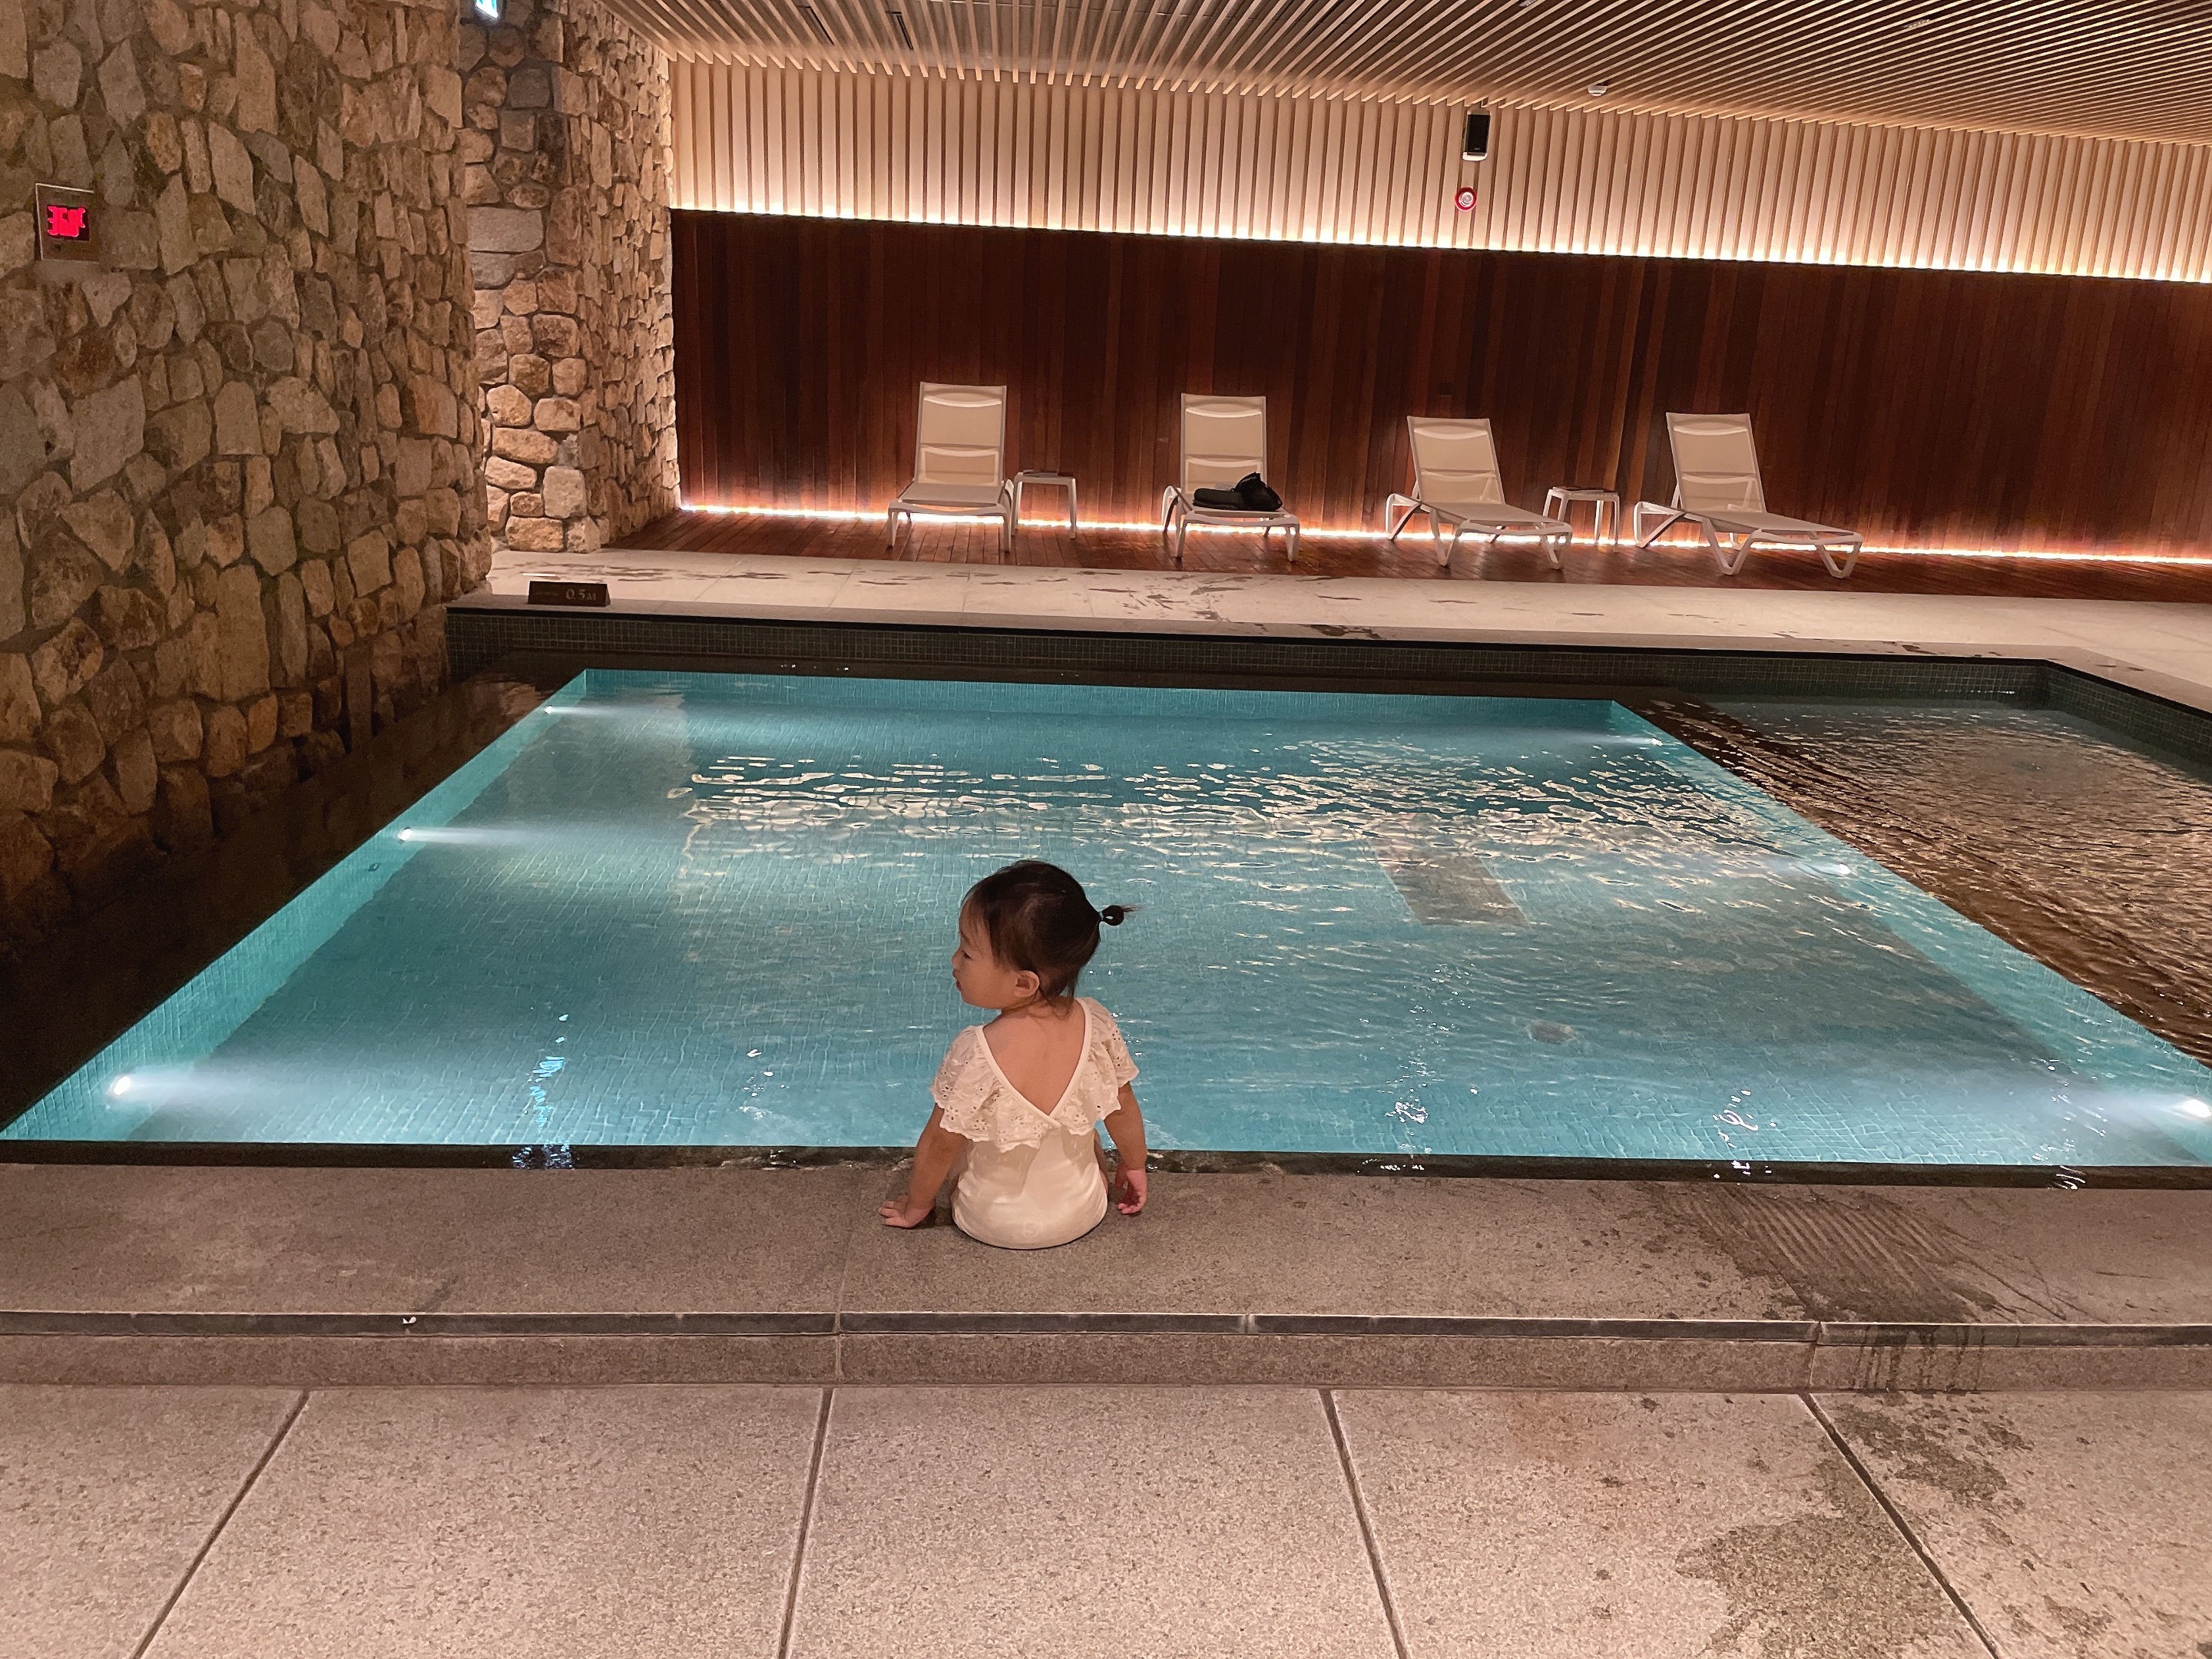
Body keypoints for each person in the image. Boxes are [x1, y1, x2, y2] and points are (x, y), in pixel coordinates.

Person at [879, 861, 1149, 1247]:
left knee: (963, 1137)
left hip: (989, 1220)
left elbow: (940, 1143)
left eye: (967, 953)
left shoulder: (977, 1051)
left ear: (1023, 983)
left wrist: (916, 1206)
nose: (954, 961)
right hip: (1083, 1212)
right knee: (1086, 1133)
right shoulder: (1096, 1024)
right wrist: (1135, 1164)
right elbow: (1122, 1106)